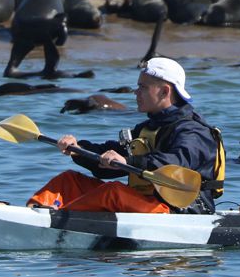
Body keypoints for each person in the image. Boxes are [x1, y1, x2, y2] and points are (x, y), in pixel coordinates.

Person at [27, 57, 225, 214]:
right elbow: (108, 165)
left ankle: (59, 219)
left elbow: (176, 164)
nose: (135, 92)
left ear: (165, 91)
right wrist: (78, 149)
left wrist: (129, 160)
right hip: (147, 203)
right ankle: (33, 212)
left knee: (112, 192)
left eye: (143, 87)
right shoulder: (148, 127)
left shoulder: (193, 131)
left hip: (183, 211)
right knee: (69, 180)